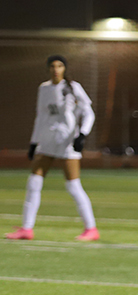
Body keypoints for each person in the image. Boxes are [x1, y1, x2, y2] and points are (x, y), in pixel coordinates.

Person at [6, 55, 99, 242]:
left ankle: (91, 229)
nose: (56, 69)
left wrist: (82, 134)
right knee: (34, 182)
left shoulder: (72, 87)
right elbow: (40, 116)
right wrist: (34, 142)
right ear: (48, 68)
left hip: (66, 142)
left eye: (60, 65)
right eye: (52, 66)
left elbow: (89, 112)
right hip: (47, 140)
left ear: (65, 68)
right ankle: (26, 229)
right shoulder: (44, 88)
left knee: (73, 185)